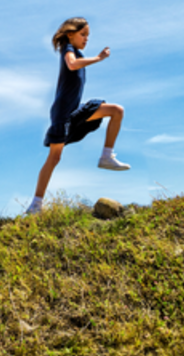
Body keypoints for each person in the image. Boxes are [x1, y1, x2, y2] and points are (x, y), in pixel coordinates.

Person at [26, 17, 130, 215]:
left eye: (88, 36)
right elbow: (72, 65)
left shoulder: (77, 52)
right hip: (63, 112)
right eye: (83, 34)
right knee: (54, 157)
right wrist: (98, 58)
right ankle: (36, 205)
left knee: (117, 110)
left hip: (74, 110)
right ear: (69, 34)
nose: (86, 39)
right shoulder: (68, 50)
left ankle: (106, 156)